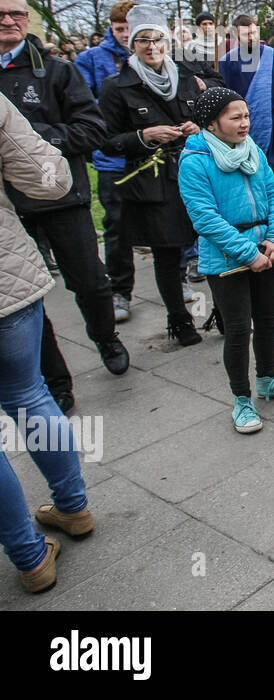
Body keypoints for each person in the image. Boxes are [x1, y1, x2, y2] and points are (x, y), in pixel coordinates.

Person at [0, 0, 130, 411]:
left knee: (90, 282)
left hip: (61, 195)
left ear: (26, 20)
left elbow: (92, 130)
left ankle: (106, 337)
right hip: (8, 208)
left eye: (15, 14)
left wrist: (27, 142)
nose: (7, 21)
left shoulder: (55, 72)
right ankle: (54, 378)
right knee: (23, 297)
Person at [0, 93, 95, 594]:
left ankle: (30, 558)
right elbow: (50, 178)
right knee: (29, 395)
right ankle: (73, 508)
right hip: (5, 281)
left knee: (29, 395)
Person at [179, 88, 274, 434]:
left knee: (268, 319)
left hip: (266, 251)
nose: (244, 123)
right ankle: (242, 399)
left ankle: (267, 379)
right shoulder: (195, 161)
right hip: (226, 260)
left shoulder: (253, 151)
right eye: (235, 117)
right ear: (212, 122)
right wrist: (248, 253)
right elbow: (205, 219)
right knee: (238, 330)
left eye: (246, 115)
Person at [98, 4, 205, 346]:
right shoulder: (118, 87)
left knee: (211, 241)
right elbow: (106, 140)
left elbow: (209, 119)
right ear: (132, 43)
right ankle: (179, 319)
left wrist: (198, 126)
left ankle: (222, 312)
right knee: (167, 251)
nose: (152, 46)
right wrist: (144, 137)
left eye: (157, 38)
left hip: (195, 173)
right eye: (143, 39)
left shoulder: (187, 78)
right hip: (153, 180)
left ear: (167, 40)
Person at [74, 0, 137, 323]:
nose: (126, 35)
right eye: (120, 29)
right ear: (111, 29)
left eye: (131, 28)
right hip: (113, 159)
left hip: (153, 157)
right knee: (117, 227)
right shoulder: (92, 60)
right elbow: (83, 107)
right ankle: (120, 290)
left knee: (170, 221)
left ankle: (179, 278)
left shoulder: (156, 57)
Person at [218, 14, 274, 213]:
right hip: (244, 123)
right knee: (250, 167)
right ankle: (259, 207)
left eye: (254, 32)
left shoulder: (273, 56)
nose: (252, 37)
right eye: (246, 34)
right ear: (238, 35)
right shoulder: (228, 62)